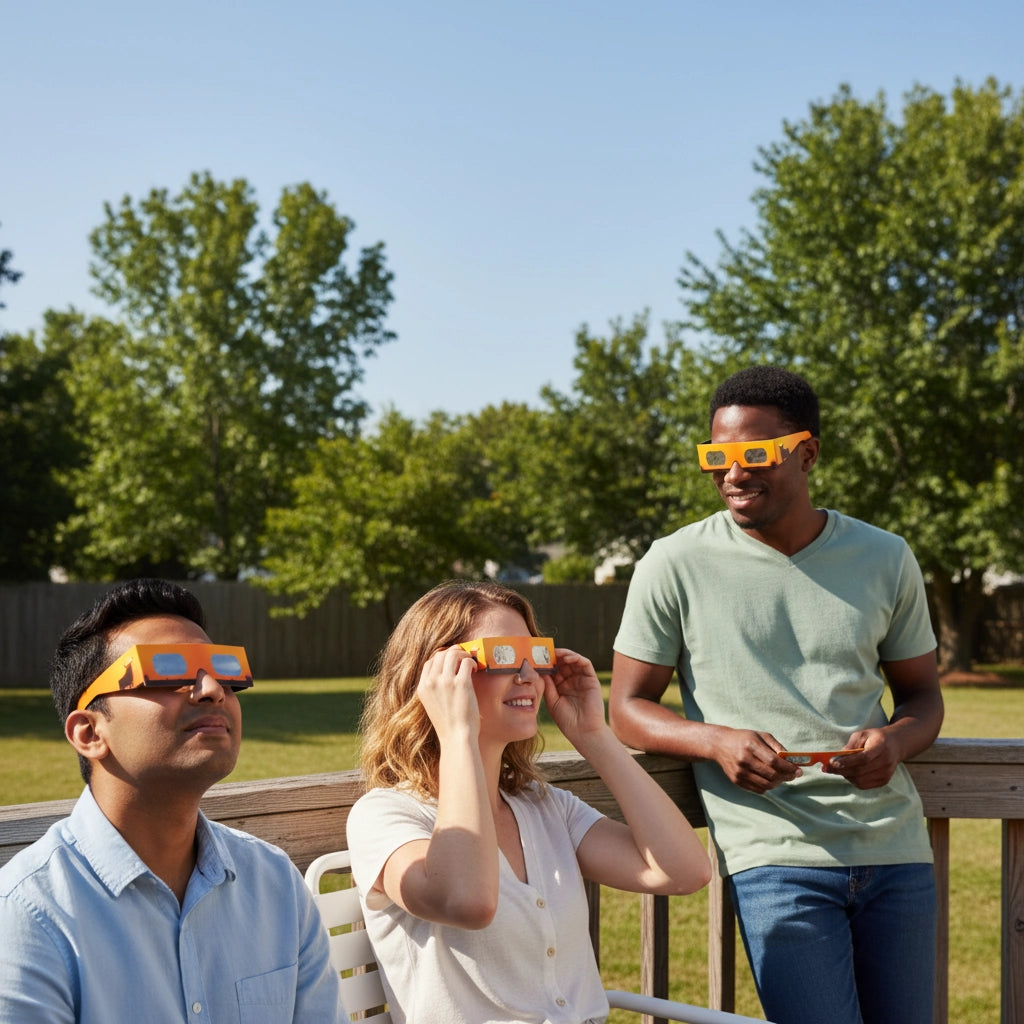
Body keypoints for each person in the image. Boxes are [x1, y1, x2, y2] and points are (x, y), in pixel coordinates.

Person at [609, 365, 944, 1024]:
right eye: (717, 457)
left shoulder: (885, 556)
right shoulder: (672, 563)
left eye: (755, 454)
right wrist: (715, 741)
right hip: (772, 856)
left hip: (896, 852)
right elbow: (625, 707)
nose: (733, 473)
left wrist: (896, 741)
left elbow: (923, 697)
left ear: (807, 452)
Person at [346, 580, 711, 1024]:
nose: (529, 676)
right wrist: (457, 733)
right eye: (501, 656)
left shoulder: (543, 806)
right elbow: (468, 901)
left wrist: (593, 736)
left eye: (536, 656)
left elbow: (683, 871)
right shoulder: (386, 815)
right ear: (438, 676)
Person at [0, 578, 345, 1024]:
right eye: (166, 670)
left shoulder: (274, 883)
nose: (210, 689)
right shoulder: (30, 913)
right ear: (89, 733)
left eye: (223, 669)